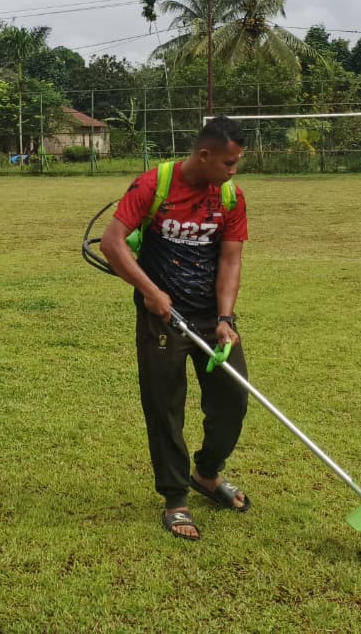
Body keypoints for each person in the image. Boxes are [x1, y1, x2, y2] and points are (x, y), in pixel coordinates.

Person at [100, 116, 250, 541]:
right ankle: (175, 498)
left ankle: (207, 474)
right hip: (161, 316)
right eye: (228, 163)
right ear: (204, 155)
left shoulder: (230, 197)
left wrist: (225, 318)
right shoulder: (153, 186)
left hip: (210, 317)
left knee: (233, 399)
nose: (234, 170)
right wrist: (151, 292)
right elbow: (112, 243)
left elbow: (231, 259)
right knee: (165, 405)